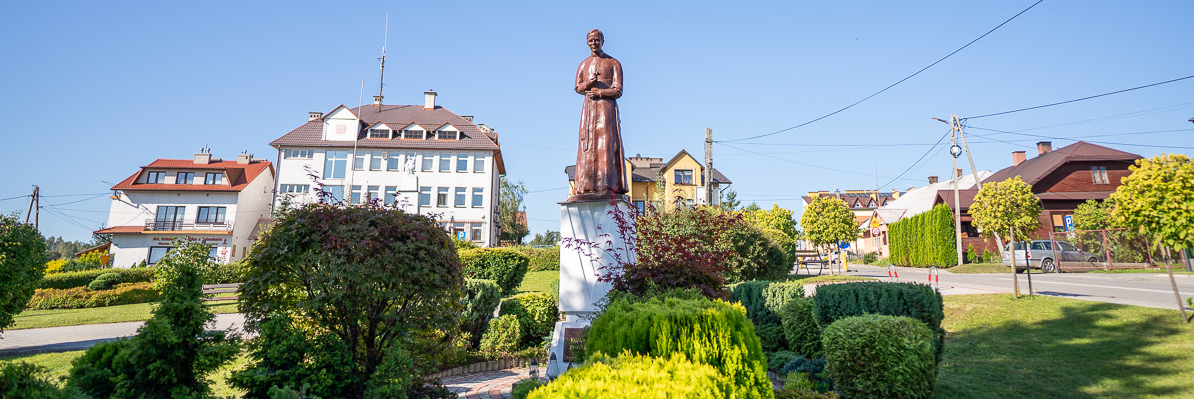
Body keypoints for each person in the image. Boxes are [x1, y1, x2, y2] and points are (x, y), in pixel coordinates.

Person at [570, 29, 627, 201]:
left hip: (606, 108)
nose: (594, 44)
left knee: (606, 144)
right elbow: (577, 87)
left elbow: (618, 90)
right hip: (588, 110)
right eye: (590, 41)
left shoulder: (613, 63)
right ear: (587, 43)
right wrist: (590, 83)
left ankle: (607, 185)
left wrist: (601, 93)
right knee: (586, 145)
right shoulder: (583, 64)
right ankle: (586, 187)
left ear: (602, 41)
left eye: (596, 40)